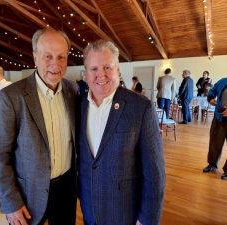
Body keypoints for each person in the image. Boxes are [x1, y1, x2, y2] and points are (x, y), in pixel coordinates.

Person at [0, 28, 77, 225]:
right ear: (35, 57)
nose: (55, 64)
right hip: (27, 194)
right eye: (48, 56)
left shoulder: (73, 91)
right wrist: (10, 201)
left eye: (61, 57)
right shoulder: (12, 96)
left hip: (66, 190)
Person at [78, 39, 165, 225]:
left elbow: (154, 173)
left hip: (124, 213)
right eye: (93, 69)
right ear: (86, 73)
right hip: (89, 210)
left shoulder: (141, 107)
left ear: (117, 69)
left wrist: (147, 219)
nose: (100, 75)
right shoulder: (79, 105)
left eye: (107, 67)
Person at [203, 78, 227, 180]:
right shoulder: (223, 81)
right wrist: (211, 98)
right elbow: (212, 91)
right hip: (219, 118)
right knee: (215, 143)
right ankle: (212, 164)